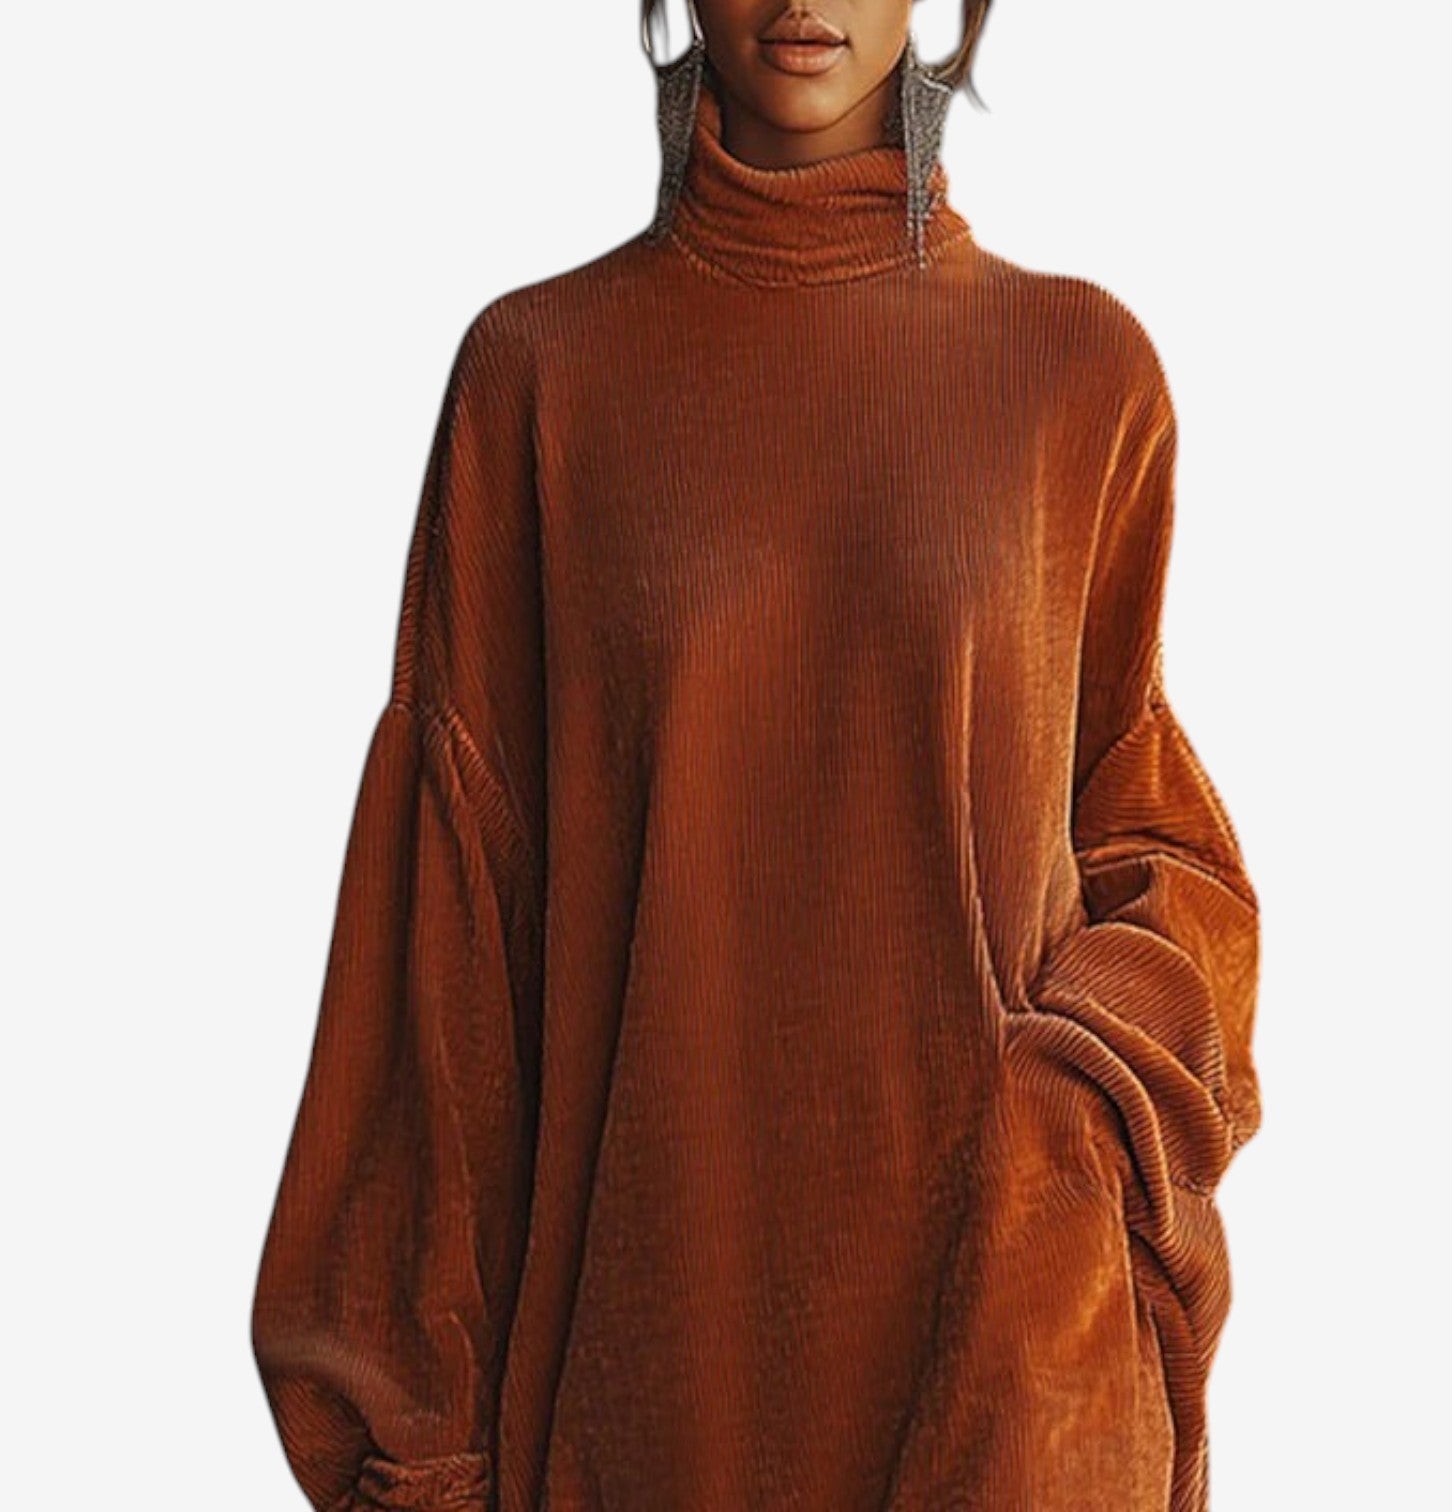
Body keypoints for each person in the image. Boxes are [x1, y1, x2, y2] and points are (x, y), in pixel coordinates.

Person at [250, 3, 1264, 1509]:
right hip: (654, 1370)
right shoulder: (540, 377)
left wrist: (1074, 1108)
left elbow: (1146, 825)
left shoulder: (1079, 370)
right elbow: (449, 947)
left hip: (1010, 1371)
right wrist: (419, 1453)